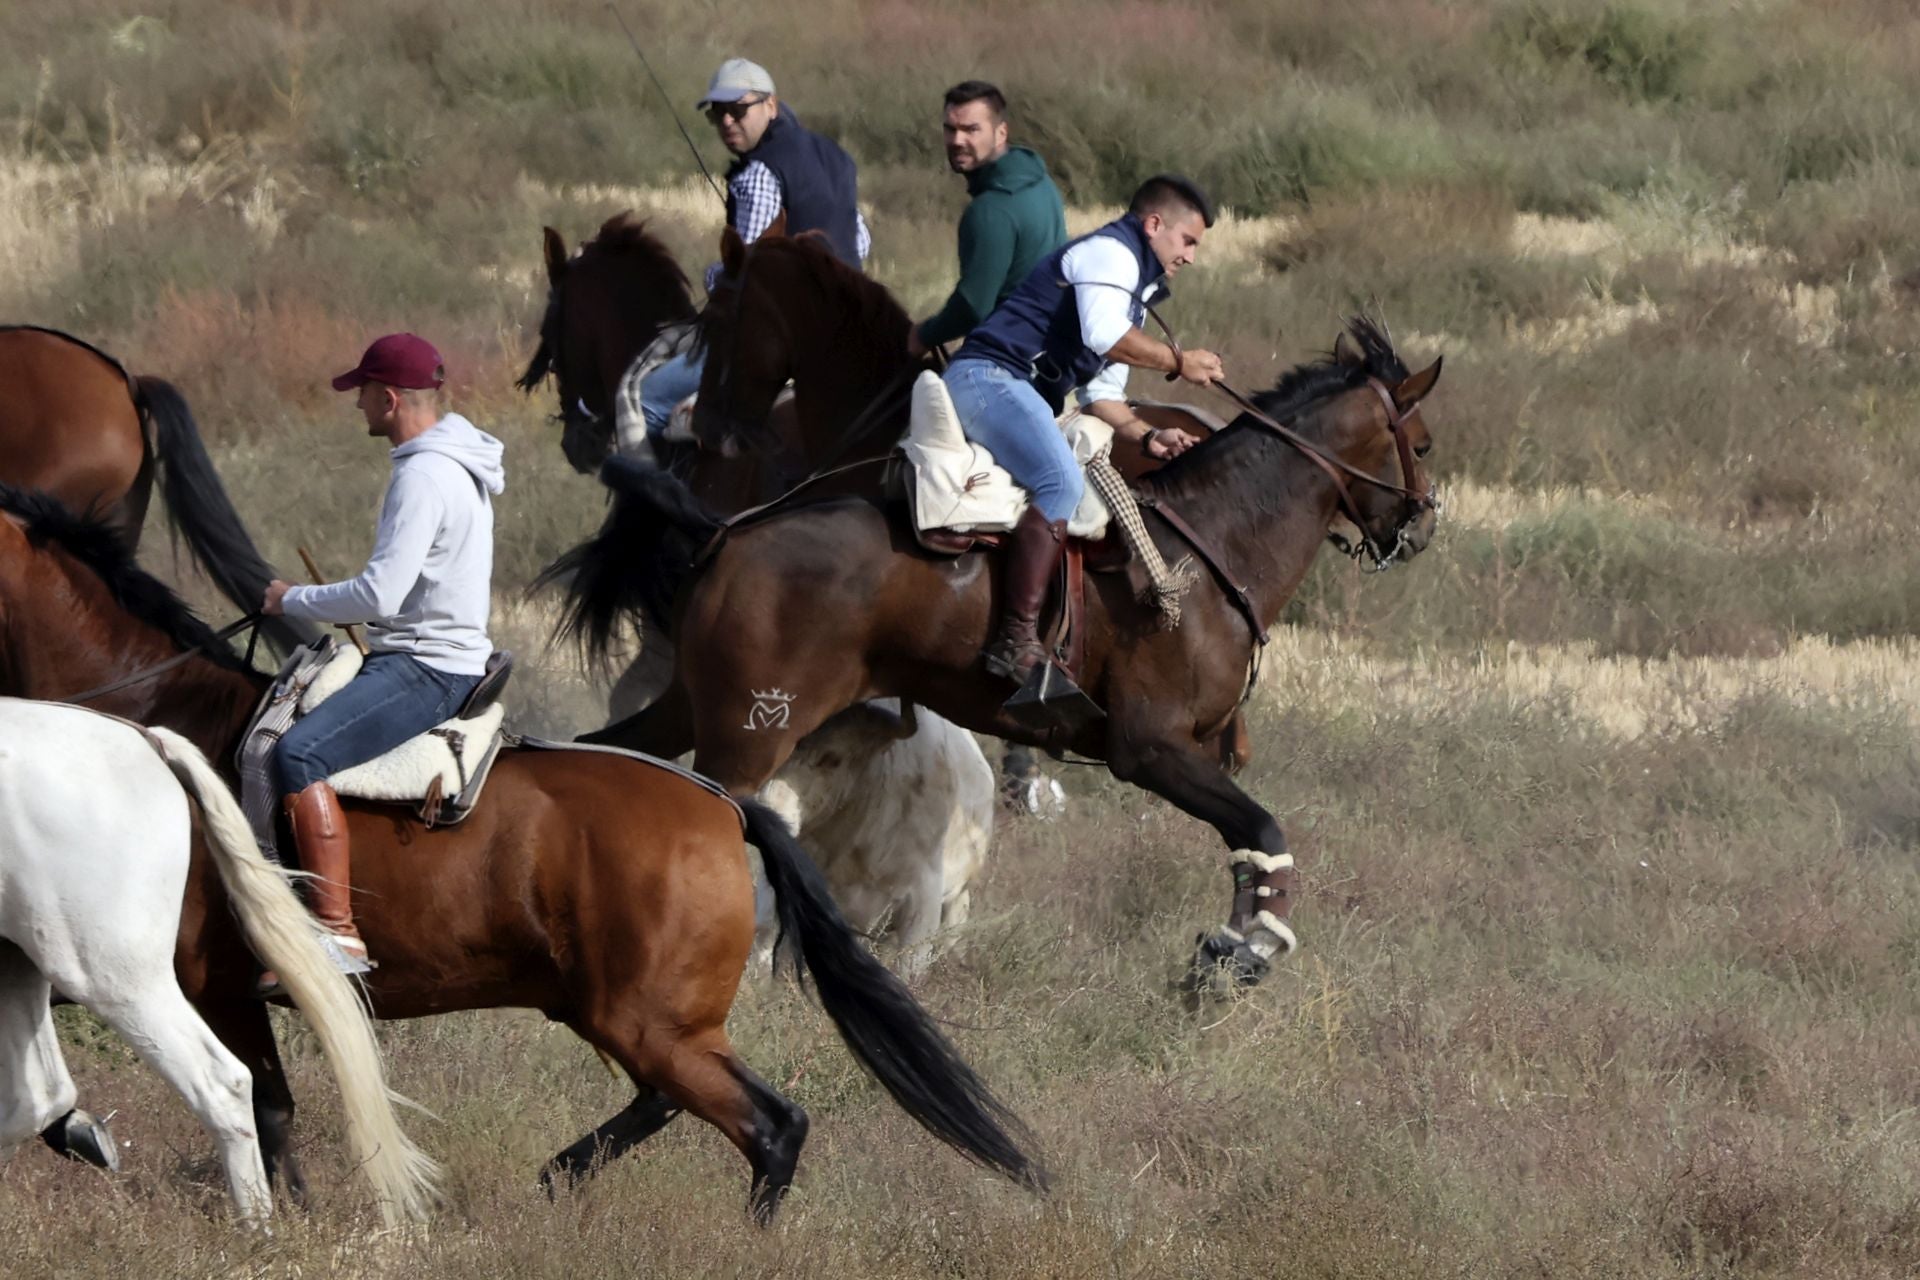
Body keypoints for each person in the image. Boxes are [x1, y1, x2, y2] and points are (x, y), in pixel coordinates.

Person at [258, 333, 505, 983]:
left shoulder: (422, 476)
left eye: (363, 392)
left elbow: (379, 592)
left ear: (390, 398)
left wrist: (292, 599)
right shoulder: (453, 462)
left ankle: (337, 934)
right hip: (435, 651)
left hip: (426, 669)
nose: (357, 403)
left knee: (296, 752)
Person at [944, 175, 1223, 681]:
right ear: (1154, 225)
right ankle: (1014, 639)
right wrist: (1178, 361)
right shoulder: (1111, 254)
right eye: (1188, 241)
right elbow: (1104, 335)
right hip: (986, 377)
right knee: (1062, 483)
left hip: (1019, 392)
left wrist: (1145, 435)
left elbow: (1102, 397)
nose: (1191, 257)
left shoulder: (1136, 290)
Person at [639, 57, 873, 441]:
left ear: (772, 105)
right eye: (718, 114)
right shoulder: (836, 158)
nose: (727, 122)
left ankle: (663, 499)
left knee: (645, 400)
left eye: (738, 109)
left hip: (784, 338)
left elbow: (745, 274)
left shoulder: (760, 174)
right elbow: (860, 239)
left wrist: (711, 275)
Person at [908, 81, 1067, 358]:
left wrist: (923, 335)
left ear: (1001, 132)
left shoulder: (990, 211)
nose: (957, 141)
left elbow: (973, 306)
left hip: (1007, 357)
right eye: (950, 129)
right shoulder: (1039, 180)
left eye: (971, 130)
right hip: (1048, 347)